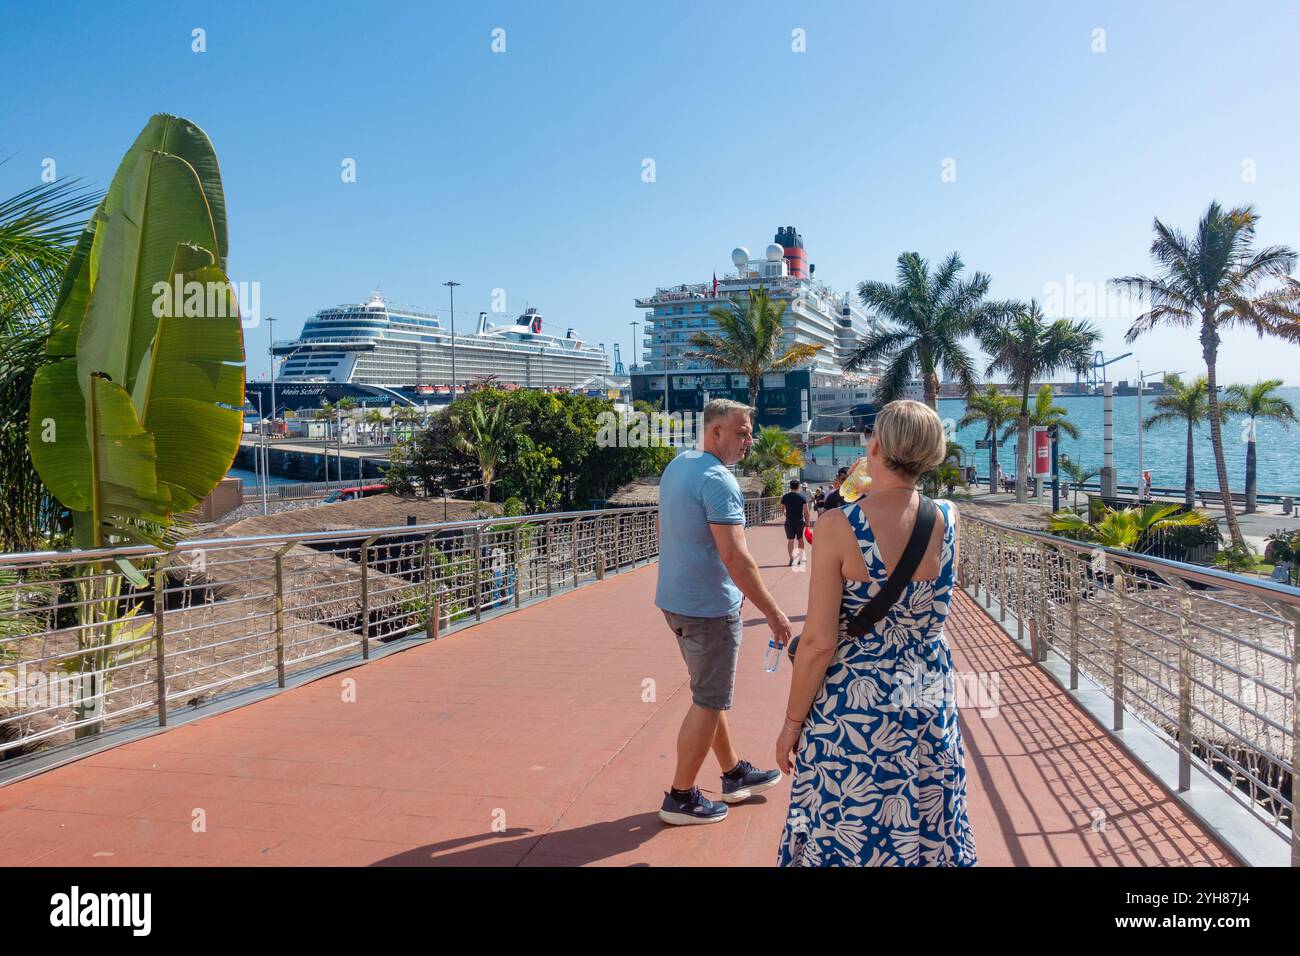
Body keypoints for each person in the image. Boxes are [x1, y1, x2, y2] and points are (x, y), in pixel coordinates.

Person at [775, 399, 977, 866]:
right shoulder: (947, 517)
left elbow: (821, 642)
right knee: (927, 810)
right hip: (927, 694)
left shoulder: (837, 526)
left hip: (856, 704)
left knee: (847, 817)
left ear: (878, 446)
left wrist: (790, 725)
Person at [655, 398, 791, 826]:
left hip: (676, 601)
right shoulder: (718, 479)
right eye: (741, 432)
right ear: (716, 432)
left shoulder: (681, 464)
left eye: (749, 432)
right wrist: (773, 612)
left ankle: (733, 774)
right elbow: (737, 558)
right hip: (708, 609)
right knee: (709, 700)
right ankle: (681, 796)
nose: (749, 440)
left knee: (710, 696)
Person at [781, 479, 811, 566]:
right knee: (800, 539)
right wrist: (808, 522)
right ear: (798, 487)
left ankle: (791, 559)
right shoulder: (802, 497)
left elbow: (782, 509)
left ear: (790, 487)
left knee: (790, 540)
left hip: (789, 521)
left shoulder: (785, 497)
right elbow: (806, 511)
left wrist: (785, 513)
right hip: (799, 521)